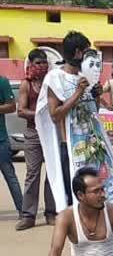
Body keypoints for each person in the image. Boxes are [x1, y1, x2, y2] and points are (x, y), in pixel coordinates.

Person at [37, 31, 100, 210]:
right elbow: (55, 115)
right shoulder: (55, 78)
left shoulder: (85, 77)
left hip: (91, 146)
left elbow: (93, 112)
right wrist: (77, 93)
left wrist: (95, 96)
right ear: (78, 53)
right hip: (71, 148)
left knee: (93, 195)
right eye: (87, 53)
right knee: (75, 200)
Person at [16, 49, 56, 230]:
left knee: (52, 174)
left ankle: (51, 212)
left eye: (45, 62)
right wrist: (40, 116)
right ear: (31, 64)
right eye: (38, 63)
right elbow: (21, 110)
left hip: (51, 133)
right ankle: (28, 215)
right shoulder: (26, 84)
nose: (42, 66)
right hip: (33, 133)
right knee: (32, 174)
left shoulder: (52, 83)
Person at [0, 73, 23, 219]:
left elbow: (11, 106)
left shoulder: (2, 81)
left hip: (1, 140)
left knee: (9, 175)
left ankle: (23, 211)